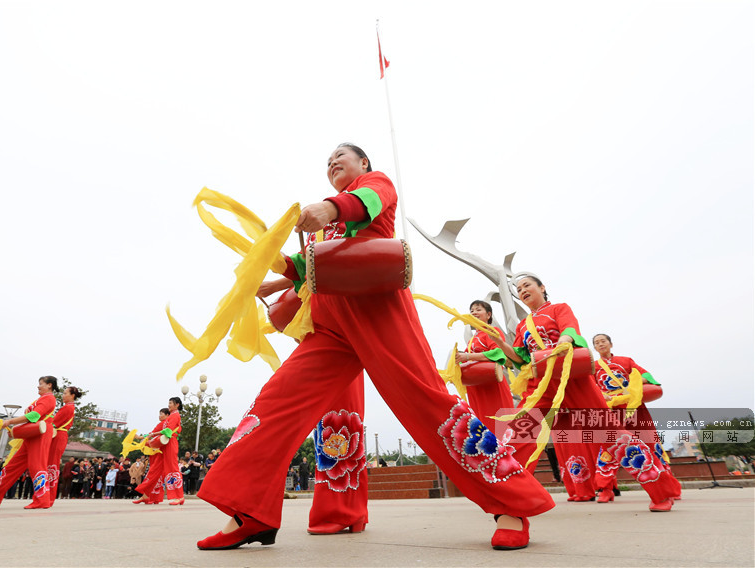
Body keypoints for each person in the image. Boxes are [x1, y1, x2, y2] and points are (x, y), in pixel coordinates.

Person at [195, 143, 555, 551]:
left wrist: (331, 208)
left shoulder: (372, 185)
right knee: (276, 402)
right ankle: (249, 510)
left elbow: (369, 200)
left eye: (340, 158)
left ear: (363, 163)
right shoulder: (319, 227)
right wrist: (278, 268)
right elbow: (308, 267)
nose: (332, 163)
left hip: (379, 311)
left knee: (428, 402)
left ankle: (513, 503)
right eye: (327, 162)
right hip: (331, 325)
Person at [487, 275, 680, 512]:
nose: (523, 290)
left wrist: (564, 342)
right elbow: (521, 357)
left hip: (571, 375)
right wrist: (502, 344)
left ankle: (661, 491)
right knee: (519, 432)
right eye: (519, 289)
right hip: (541, 383)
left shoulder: (559, 308)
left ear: (542, 288)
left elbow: (570, 330)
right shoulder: (522, 325)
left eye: (527, 285)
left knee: (609, 432)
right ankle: (505, 495)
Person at [591, 333, 682, 503]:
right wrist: (603, 395)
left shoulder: (626, 361)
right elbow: (591, 388)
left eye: (603, 341)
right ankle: (605, 488)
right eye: (597, 343)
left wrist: (632, 386)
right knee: (609, 449)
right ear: (594, 348)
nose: (601, 344)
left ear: (611, 344)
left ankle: (670, 487)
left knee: (650, 443)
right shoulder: (594, 366)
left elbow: (647, 376)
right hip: (611, 410)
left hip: (634, 407)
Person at [0, 376, 58, 510]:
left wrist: (10, 421)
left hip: (41, 433)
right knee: (12, 465)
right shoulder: (41, 399)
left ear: (49, 385)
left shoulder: (49, 398)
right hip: (32, 433)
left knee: (36, 465)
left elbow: (34, 416)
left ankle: (42, 500)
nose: (38, 386)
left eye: (41, 384)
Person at [454, 301, 515, 431]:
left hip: (492, 384)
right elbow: (465, 360)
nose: (474, 313)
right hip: (477, 387)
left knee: (501, 426)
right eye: (471, 311)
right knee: (484, 426)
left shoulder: (492, 331)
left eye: (478, 309)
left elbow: (498, 352)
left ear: (488, 315)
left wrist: (468, 356)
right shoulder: (472, 339)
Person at [44, 385, 80, 507]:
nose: (63, 395)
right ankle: (48, 496)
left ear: (72, 395)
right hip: (59, 435)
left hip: (58, 435)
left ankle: (49, 497)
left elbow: (53, 423)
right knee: (51, 465)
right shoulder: (68, 407)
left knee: (51, 465)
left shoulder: (67, 408)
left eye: (65, 393)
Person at [133, 408, 173, 505]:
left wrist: (140, 438)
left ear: (167, 415)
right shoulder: (166, 424)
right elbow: (152, 434)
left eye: (161, 414)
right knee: (157, 475)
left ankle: (147, 497)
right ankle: (152, 498)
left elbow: (151, 434)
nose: (159, 416)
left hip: (159, 451)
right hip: (161, 450)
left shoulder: (164, 423)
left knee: (154, 473)